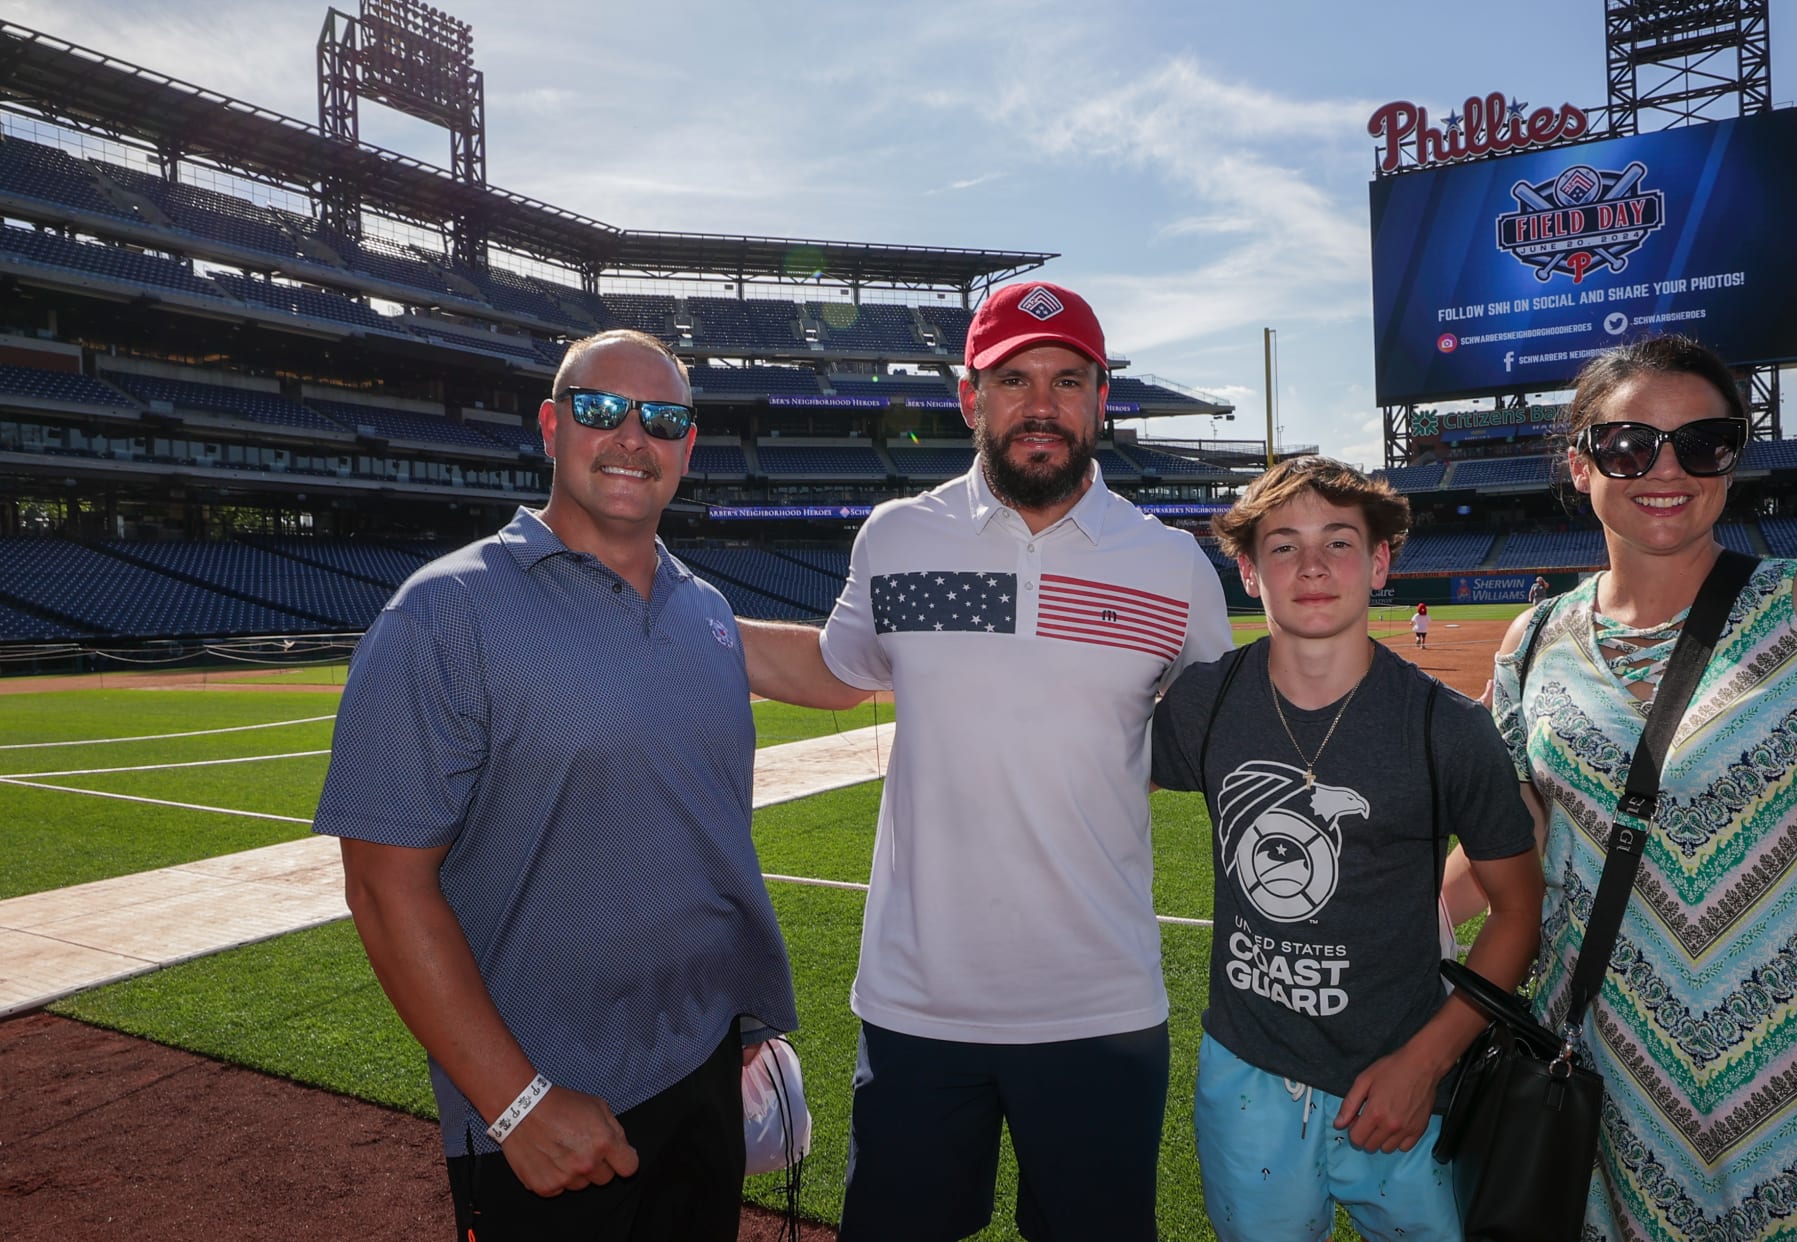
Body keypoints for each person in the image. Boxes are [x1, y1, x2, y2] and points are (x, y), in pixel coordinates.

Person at [738, 280, 1232, 1241]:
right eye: (1013, 379)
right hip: (920, 1005)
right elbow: (840, 671)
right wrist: (676, 610)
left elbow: (1226, 737)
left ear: (1100, 400)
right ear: (971, 398)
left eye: (1066, 379)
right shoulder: (898, 536)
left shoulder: (1169, 564)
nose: (1040, 404)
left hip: (1100, 1004)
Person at [316, 329, 798, 1241]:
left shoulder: (704, 613)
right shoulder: (441, 613)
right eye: (600, 410)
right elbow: (384, 888)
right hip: (552, 1107)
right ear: (550, 426)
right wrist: (515, 1104)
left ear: (689, 446)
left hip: (703, 1082)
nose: (630, 438)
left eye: (661, 419)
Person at [1482, 335, 1797, 1241]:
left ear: (1734, 458)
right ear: (1581, 463)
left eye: (1702, 442)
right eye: (1628, 444)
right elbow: (1512, 853)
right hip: (1600, 1111)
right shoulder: (1531, 644)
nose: (1665, 468)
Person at [1149, 458, 1542, 1240]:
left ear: (1381, 561)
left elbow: (1520, 910)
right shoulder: (1204, 702)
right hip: (1245, 1076)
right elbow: (1085, 794)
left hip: (1405, 1079)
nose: (1315, 566)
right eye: (1284, 546)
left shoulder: (1447, 728)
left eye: (1338, 541)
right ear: (1250, 571)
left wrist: (1427, 1062)